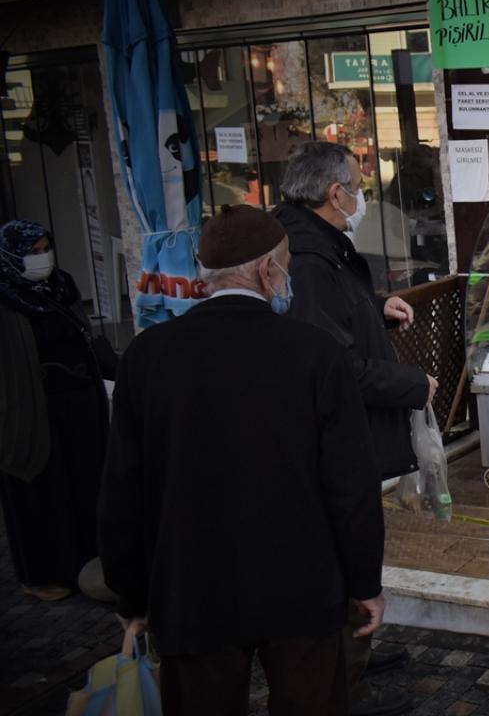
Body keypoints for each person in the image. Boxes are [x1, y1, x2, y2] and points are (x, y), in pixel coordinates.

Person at [99, 206, 386, 715]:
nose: (288, 275)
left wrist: (132, 593)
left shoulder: (147, 356)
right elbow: (351, 485)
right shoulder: (315, 353)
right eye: (287, 264)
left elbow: (123, 487)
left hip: (193, 588)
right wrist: (364, 582)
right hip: (301, 586)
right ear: (267, 269)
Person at [275, 141, 434, 716]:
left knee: (351, 544)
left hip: (345, 431)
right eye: (358, 187)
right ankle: (340, 682)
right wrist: (410, 384)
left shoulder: (320, 244)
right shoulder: (306, 258)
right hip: (335, 436)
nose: (364, 197)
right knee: (341, 547)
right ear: (334, 192)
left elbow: (338, 316)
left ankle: (355, 648)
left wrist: (376, 306)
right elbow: (332, 363)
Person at [0, 221, 113, 603]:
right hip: (33, 410)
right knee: (44, 488)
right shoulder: (7, 297)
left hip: (79, 404)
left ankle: (88, 561)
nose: (42, 258)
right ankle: (44, 572)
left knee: (85, 482)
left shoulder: (60, 286)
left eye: (45, 248)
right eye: (32, 252)